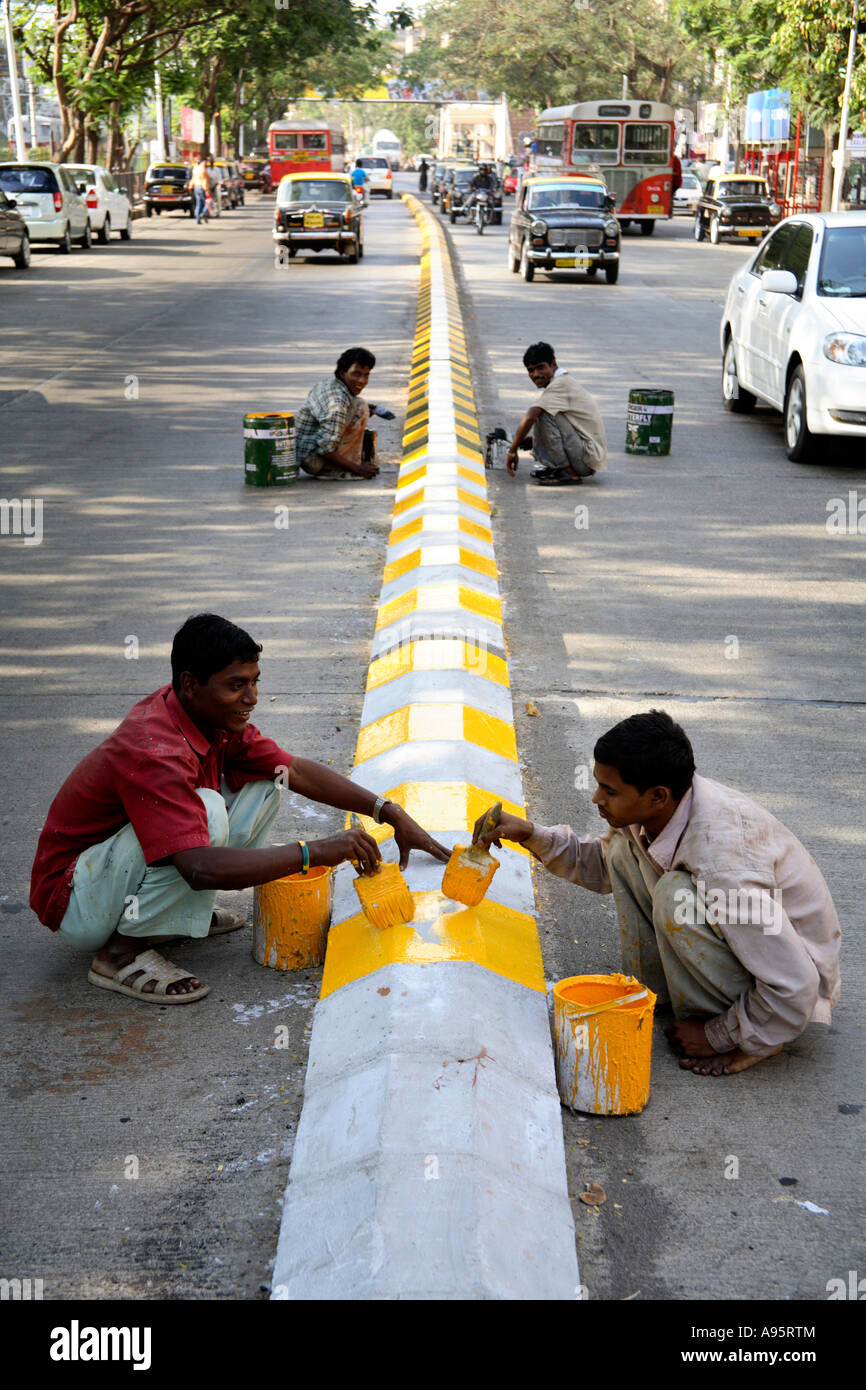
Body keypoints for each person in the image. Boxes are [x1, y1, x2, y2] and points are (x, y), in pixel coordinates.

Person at [30, 614, 448, 1006]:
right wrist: (313, 852)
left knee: (268, 785)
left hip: (110, 876)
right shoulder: (154, 748)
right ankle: (121, 953)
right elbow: (198, 868)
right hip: (76, 897)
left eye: (254, 682)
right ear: (191, 685)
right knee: (208, 810)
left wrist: (388, 811)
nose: (252, 698)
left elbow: (295, 770)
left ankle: (171, 915)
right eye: (236, 686)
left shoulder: (208, 719)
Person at [474, 710, 841, 1078]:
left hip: (785, 990)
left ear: (657, 796)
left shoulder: (724, 861)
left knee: (674, 893)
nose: (596, 798)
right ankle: (658, 997)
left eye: (610, 790)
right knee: (620, 851)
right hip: (762, 960)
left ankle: (750, 1027)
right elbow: (605, 867)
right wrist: (528, 833)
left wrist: (721, 1035)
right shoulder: (656, 811)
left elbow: (796, 986)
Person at [505, 342, 607, 486]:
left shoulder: (560, 384)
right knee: (544, 410)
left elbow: (530, 416)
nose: (536, 375)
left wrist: (512, 450)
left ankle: (568, 473)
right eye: (531, 370)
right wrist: (535, 441)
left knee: (543, 413)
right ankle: (557, 468)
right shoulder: (560, 382)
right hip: (584, 455)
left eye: (541, 367)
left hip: (585, 460)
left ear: (553, 364)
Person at [295, 346, 394, 480]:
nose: (362, 381)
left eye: (366, 375)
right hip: (312, 460)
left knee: (359, 405)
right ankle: (334, 469)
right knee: (360, 406)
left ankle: (343, 463)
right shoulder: (337, 404)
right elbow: (326, 447)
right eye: (356, 374)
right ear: (342, 373)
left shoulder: (329, 384)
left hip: (305, 451)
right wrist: (358, 469)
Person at [190, 154, 209, 223]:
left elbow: (193, 178)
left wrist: (191, 186)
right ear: (202, 162)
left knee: (198, 203)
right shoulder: (202, 169)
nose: (206, 163)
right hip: (201, 187)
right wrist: (206, 190)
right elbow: (205, 180)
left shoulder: (195, 168)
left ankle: (198, 219)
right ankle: (204, 213)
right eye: (205, 162)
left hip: (196, 187)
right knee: (206, 203)